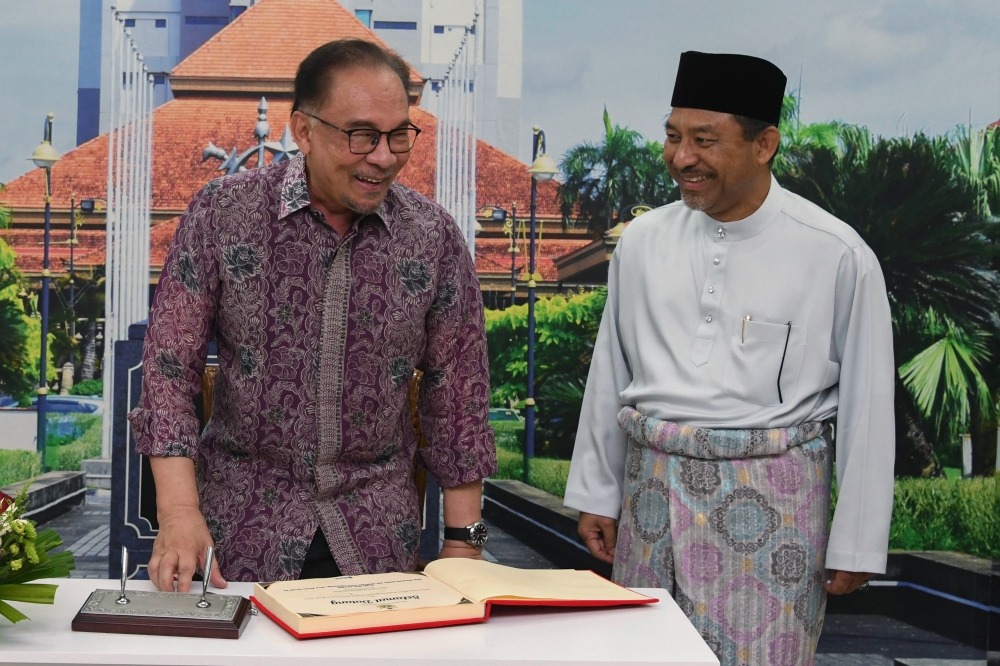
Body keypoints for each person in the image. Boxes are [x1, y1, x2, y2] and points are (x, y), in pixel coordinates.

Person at [129, 39, 496, 593]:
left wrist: (465, 542)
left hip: (377, 545)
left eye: (400, 135)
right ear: (303, 130)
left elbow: (458, 397)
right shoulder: (223, 213)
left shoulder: (434, 238)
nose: (384, 156)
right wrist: (179, 513)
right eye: (362, 135)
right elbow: (168, 372)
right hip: (236, 538)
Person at [564, 51, 895, 666]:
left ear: (764, 143)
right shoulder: (641, 242)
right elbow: (611, 371)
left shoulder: (836, 253)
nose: (680, 157)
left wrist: (856, 540)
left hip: (773, 508)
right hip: (650, 500)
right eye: (672, 135)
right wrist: (596, 491)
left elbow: (869, 408)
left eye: (704, 140)